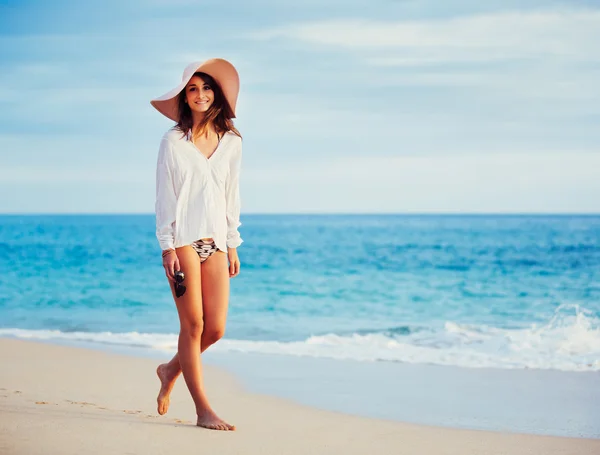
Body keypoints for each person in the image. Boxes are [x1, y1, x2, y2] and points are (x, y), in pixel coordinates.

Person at [150, 58, 243, 431]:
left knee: (215, 329)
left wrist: (233, 242)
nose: (201, 94)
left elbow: (232, 194)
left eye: (206, 88)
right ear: (184, 97)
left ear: (215, 94)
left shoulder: (232, 142)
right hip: (184, 240)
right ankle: (203, 409)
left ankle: (170, 368)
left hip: (216, 242)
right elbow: (164, 197)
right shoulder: (172, 142)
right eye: (193, 88)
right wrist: (167, 246)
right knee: (193, 326)